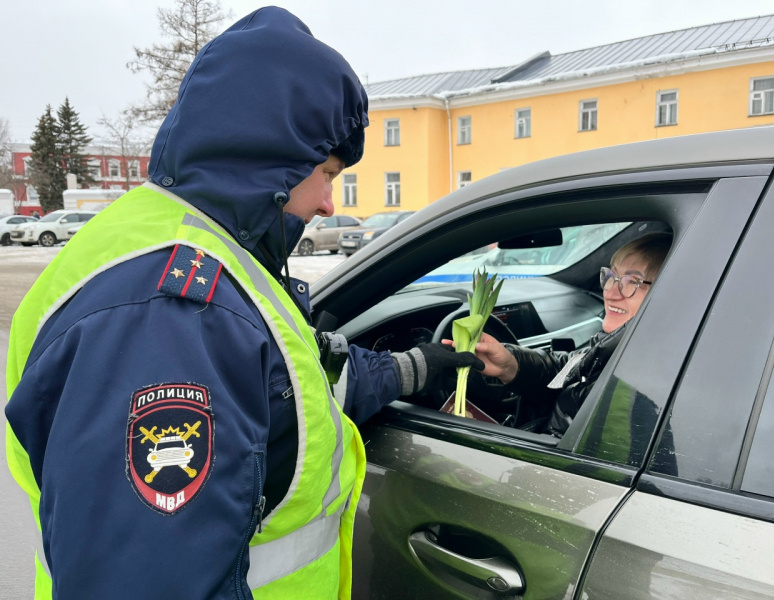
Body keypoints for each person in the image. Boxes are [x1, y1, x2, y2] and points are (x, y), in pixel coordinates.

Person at [4, 8, 477, 599]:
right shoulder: (170, 312)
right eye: (327, 173)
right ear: (271, 161)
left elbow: (289, 392)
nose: (330, 203)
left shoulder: (202, 253)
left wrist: (411, 370)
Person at [473, 232, 672, 436]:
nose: (610, 293)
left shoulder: (640, 381)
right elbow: (571, 371)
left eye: (632, 281)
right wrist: (510, 364)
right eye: (612, 277)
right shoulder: (615, 346)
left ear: (667, 294)